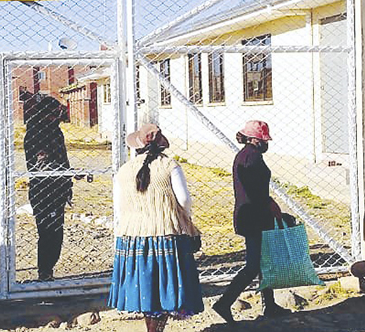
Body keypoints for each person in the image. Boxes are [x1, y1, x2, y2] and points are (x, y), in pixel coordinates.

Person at [108, 123, 202, 332]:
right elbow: (185, 200)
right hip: (165, 234)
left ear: (138, 146)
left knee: (146, 291)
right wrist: (183, 217)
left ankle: (152, 329)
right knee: (164, 290)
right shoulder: (169, 166)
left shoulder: (123, 171)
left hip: (133, 236)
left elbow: (118, 206)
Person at [211, 120, 291, 323]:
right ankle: (224, 302)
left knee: (263, 262)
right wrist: (271, 204)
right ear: (256, 139)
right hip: (254, 217)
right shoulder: (252, 158)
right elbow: (256, 191)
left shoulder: (246, 155)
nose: (266, 143)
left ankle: (270, 305)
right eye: (264, 139)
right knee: (254, 265)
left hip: (251, 216)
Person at [21, 92, 73, 281]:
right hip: (44, 188)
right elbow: (43, 163)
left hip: (58, 187)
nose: (58, 117)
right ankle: (44, 272)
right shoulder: (36, 132)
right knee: (47, 232)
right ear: (45, 114)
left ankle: (48, 270)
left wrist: (67, 181)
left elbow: (62, 159)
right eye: (55, 113)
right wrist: (62, 174)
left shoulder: (55, 131)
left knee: (56, 231)